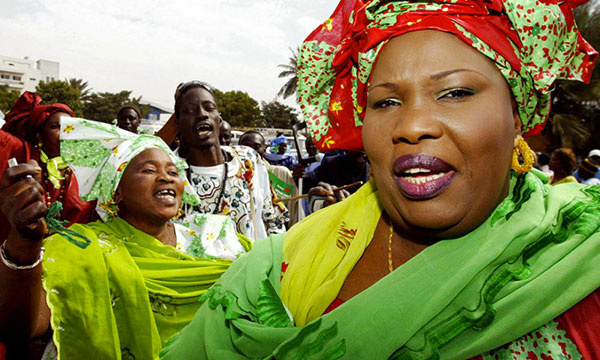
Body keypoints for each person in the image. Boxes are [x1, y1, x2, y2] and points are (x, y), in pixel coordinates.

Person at [160, 0, 599, 359]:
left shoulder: (581, 257)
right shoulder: (278, 268)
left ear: (518, 118)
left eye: (456, 92)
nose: (411, 125)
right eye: (386, 102)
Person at [0, 118, 250, 359]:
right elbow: (21, 328)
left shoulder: (216, 238)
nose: (166, 177)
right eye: (149, 170)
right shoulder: (81, 247)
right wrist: (23, 242)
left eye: (173, 171)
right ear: (116, 190)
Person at [171, 81, 286, 241]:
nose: (202, 114)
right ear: (177, 125)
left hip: (253, 264)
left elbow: (272, 218)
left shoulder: (248, 161)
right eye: (189, 111)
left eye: (209, 108)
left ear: (219, 119)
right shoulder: (170, 174)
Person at [0, 91, 95, 240]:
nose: (65, 133)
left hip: (72, 253)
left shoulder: (86, 167)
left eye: (69, 128)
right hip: (27, 251)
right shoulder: (24, 156)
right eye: (56, 127)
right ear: (40, 135)